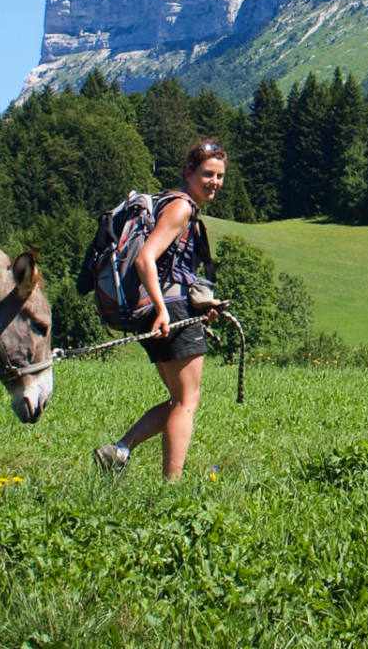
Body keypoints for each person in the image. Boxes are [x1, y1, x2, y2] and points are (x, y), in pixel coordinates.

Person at [93, 139, 228, 481]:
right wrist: (162, 310)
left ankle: (119, 451)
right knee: (187, 403)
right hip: (168, 313)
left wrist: (200, 302)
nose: (214, 182)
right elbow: (145, 259)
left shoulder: (172, 204)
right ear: (189, 172)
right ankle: (171, 487)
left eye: (220, 176)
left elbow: (173, 270)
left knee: (177, 400)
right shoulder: (181, 208)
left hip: (162, 310)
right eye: (207, 174)